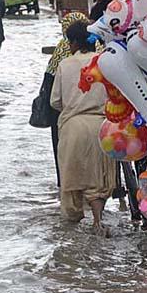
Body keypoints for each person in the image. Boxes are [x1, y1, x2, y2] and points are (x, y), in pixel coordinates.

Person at [51, 21, 116, 230]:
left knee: (72, 179)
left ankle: (73, 229)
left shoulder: (65, 64)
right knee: (98, 179)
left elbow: (55, 101)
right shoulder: (103, 62)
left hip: (73, 127)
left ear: (75, 42)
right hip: (102, 126)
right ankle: (98, 221)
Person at [44, 12, 92, 186]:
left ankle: (64, 183)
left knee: (63, 153)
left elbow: (52, 92)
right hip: (98, 114)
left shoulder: (61, 53)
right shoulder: (99, 51)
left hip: (66, 114)